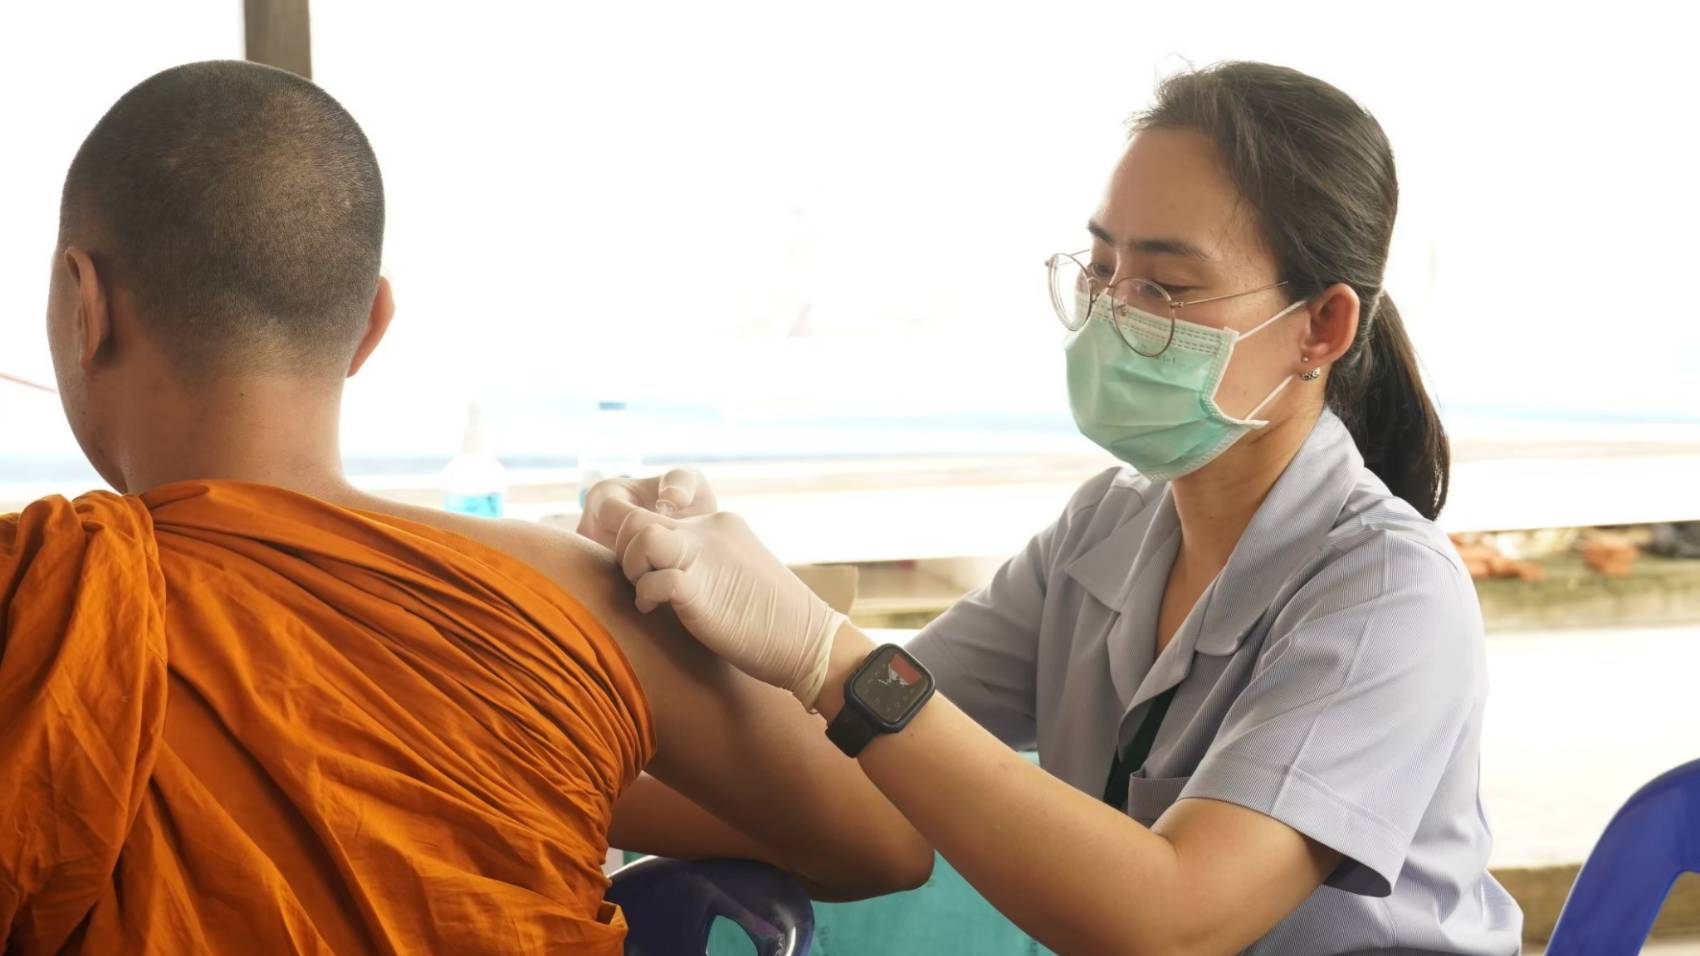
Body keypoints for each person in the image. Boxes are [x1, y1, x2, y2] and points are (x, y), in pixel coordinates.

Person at [589, 62, 1524, 955]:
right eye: (1102, 269)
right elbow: (856, 765)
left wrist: (824, 648)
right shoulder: (1109, 529)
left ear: (1320, 326)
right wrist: (598, 716)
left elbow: (1177, 919)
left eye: (1165, 286)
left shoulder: (1388, 593)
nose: (1111, 316)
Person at [0, 60, 929, 956]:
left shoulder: (32, 609)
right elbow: (890, 841)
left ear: (87, 306)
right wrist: (546, 754)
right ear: (371, 325)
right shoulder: (572, 600)